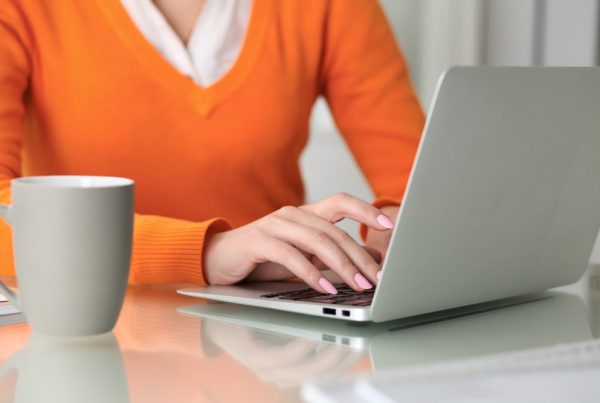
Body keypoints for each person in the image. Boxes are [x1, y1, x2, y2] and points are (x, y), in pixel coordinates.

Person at [0, 0, 424, 294]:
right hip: (77, 336)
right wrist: (207, 253)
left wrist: (402, 231)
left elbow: (421, 184)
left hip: (266, 340)